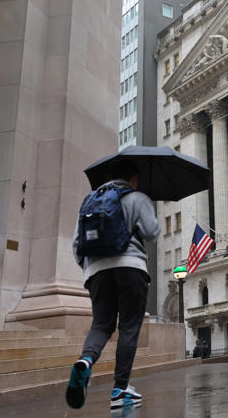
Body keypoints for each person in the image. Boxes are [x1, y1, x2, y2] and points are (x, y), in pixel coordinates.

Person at [66, 160, 160, 410]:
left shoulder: (89, 200)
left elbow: (77, 244)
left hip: (96, 271)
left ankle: (85, 361)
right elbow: (151, 232)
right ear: (134, 178)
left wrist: (90, 270)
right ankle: (120, 389)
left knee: (101, 325)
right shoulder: (138, 197)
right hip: (131, 267)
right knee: (129, 327)